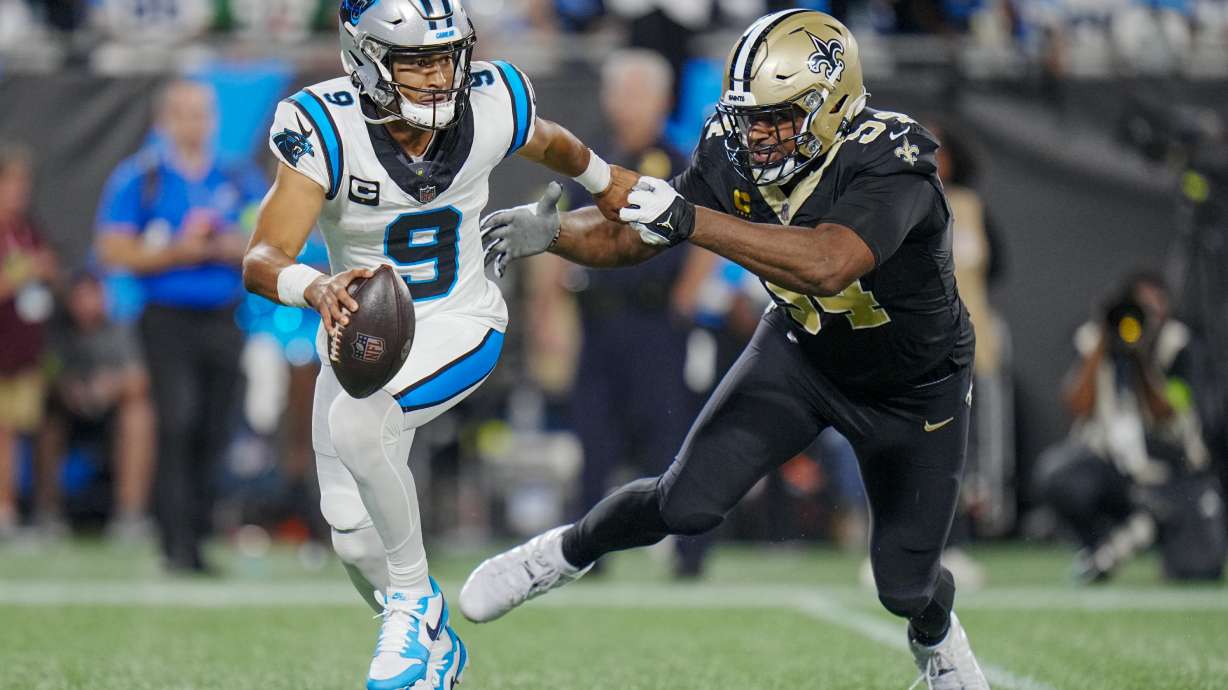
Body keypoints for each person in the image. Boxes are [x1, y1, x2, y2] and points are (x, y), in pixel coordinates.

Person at [467, 10, 989, 688]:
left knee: (904, 583)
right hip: (804, 354)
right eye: (751, 116)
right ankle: (561, 553)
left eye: (779, 117)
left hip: (916, 384)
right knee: (685, 503)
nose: (759, 135)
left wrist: (692, 220)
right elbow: (641, 233)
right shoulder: (730, 148)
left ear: (832, 105)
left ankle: (937, 637)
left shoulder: (894, 156)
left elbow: (829, 261)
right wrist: (558, 234)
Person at [240, 2, 632, 688]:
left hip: (460, 320)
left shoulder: (489, 103)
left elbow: (550, 142)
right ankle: (440, 648)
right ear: (365, 59)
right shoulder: (325, 127)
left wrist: (605, 181)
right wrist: (315, 288)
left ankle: (416, 603)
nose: (439, 77)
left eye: (447, 57)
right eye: (417, 61)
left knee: (356, 423)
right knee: (350, 533)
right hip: (359, 329)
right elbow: (262, 257)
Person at [534, 48, 710, 577]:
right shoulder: (589, 162)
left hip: (657, 322)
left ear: (661, 101)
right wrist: (548, 311)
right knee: (594, 439)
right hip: (599, 319)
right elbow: (553, 232)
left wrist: (688, 294)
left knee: (671, 436)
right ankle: (588, 555)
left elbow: (707, 231)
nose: (627, 103)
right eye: (621, 92)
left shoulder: (682, 161)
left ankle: (688, 553)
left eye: (638, 93)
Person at [95, 79, 264, 573]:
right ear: (165, 121)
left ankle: (199, 528)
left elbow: (267, 236)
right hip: (166, 318)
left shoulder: (236, 177)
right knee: (177, 421)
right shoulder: (141, 178)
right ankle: (175, 540)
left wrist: (226, 244)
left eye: (201, 113)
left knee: (216, 423)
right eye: (184, 113)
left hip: (222, 315)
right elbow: (113, 249)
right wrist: (175, 252)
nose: (194, 123)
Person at [1036, 271, 1217, 581]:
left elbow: (1170, 413)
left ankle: (1142, 538)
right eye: (1136, 306)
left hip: (1171, 470)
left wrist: (1143, 362)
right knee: (1058, 473)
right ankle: (1097, 545)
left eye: (1151, 306)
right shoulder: (1094, 340)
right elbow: (1075, 403)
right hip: (1115, 468)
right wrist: (1102, 343)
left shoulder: (1178, 345)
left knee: (1196, 571)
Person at [35, 269, 155, 541]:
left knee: (139, 416)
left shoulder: (121, 329)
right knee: (44, 419)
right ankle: (46, 514)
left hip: (111, 412)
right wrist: (66, 388)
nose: (86, 304)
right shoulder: (57, 332)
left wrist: (111, 387)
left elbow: (140, 379)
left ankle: (130, 515)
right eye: (80, 297)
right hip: (68, 412)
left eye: (92, 296)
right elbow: (44, 375)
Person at [0, 144, 58, 538]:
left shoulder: (28, 230)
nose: (19, 191)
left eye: (23, 183)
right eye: (11, 182)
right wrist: (20, 275)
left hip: (24, 348)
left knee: (24, 430)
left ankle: (22, 508)